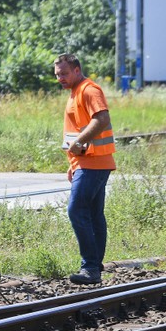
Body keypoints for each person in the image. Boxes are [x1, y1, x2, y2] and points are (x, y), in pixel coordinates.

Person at [54, 53, 116, 285]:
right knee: (93, 214)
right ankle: (95, 266)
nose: (60, 77)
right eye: (58, 74)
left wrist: (79, 143)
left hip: (94, 162)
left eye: (65, 73)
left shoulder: (89, 90)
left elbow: (102, 119)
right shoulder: (74, 92)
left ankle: (90, 267)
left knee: (76, 210)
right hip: (87, 162)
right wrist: (74, 163)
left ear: (77, 70)